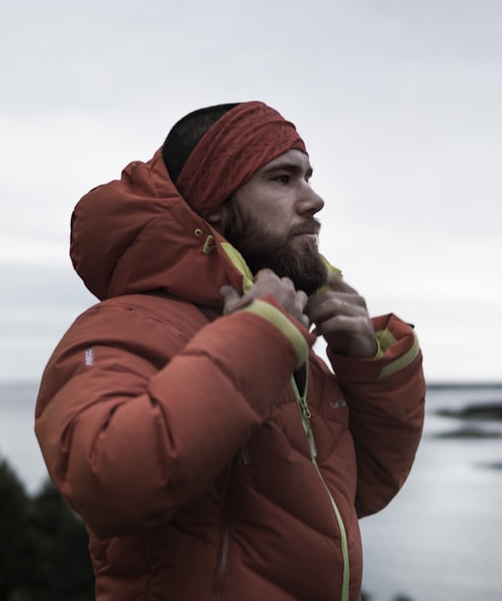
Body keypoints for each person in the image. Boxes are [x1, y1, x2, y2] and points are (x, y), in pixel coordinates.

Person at [35, 101, 426, 601]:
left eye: (307, 177)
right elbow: (108, 481)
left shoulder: (283, 343)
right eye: (283, 179)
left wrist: (370, 367)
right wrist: (260, 338)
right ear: (214, 203)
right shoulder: (121, 328)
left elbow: (354, 494)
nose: (315, 199)